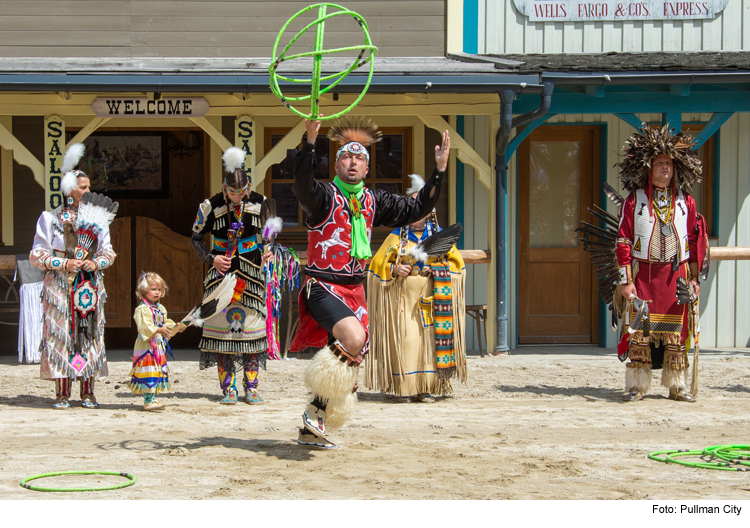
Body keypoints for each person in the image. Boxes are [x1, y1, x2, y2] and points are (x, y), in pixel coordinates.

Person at [290, 118, 450, 448]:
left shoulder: (374, 202)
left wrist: (440, 169)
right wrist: (309, 142)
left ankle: (314, 421)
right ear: (336, 164)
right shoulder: (323, 197)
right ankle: (313, 413)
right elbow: (302, 185)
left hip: (355, 290)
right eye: (347, 157)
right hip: (323, 285)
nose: (353, 162)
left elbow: (419, 206)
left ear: (366, 168)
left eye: (359, 158)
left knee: (351, 360)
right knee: (353, 336)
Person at [615, 125, 709, 403]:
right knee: (640, 332)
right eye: (660, 164)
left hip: (676, 276)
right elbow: (623, 240)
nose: (665, 168)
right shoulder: (635, 201)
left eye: (669, 163)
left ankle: (676, 386)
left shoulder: (686, 202)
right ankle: (637, 386)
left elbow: (694, 242)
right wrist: (626, 281)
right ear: (649, 168)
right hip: (643, 275)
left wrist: (694, 280)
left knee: (676, 335)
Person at [365, 174, 467, 402]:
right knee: (407, 341)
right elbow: (377, 265)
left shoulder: (439, 239)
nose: (415, 211)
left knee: (430, 344)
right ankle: (405, 388)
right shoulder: (396, 238)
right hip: (403, 302)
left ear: (429, 211)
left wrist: (439, 269)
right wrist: (394, 269)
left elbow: (456, 264)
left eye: (419, 206)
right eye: (411, 205)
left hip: (432, 301)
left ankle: (428, 388)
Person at [30, 145, 116, 409]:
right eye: (83, 188)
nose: (88, 191)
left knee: (88, 334)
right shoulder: (49, 218)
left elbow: (109, 253)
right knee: (61, 336)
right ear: (69, 190)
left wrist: (94, 262)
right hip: (59, 286)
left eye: (89, 187)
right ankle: (62, 392)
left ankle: (88, 392)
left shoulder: (98, 220)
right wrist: (63, 262)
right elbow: (36, 254)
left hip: (89, 285)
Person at [191, 147, 279, 405]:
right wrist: (211, 258)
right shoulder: (211, 205)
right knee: (221, 334)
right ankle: (228, 389)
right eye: (232, 192)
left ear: (249, 186)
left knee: (252, 331)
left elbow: (270, 236)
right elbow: (195, 237)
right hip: (221, 279)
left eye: (242, 192)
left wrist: (268, 251)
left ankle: (251, 387)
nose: (238, 196)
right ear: (224, 187)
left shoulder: (262, 203)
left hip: (251, 277)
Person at [128, 272, 184, 411]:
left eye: (159, 289)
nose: (157, 292)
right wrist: (158, 330)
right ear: (143, 290)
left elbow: (165, 323)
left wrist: (175, 327)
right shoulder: (142, 309)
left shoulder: (160, 308)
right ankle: (148, 401)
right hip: (146, 345)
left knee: (156, 370)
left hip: (157, 345)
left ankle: (151, 400)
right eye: (153, 289)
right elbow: (144, 327)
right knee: (149, 371)